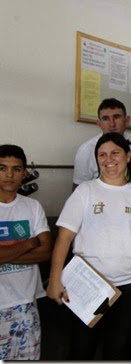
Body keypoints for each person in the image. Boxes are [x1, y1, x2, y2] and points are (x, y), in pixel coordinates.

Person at [48, 133, 131, 360]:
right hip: (90, 286)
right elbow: (64, 238)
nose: (109, 160)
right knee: (82, 348)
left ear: (128, 156)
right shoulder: (85, 191)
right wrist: (55, 279)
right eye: (102, 155)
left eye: (115, 153)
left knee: (120, 349)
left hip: (130, 286)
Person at [0, 145, 52, 361]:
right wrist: (29, 243)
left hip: (26, 301)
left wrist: (5, 255)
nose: (9, 175)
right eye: (2, 168)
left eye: (16, 169)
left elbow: (46, 251)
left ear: (24, 173)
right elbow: (37, 246)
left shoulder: (33, 207)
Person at [73, 98, 131, 189]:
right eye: (106, 119)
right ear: (99, 124)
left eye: (117, 117)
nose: (112, 124)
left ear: (127, 121)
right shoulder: (86, 150)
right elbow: (78, 189)